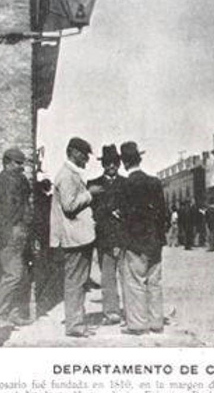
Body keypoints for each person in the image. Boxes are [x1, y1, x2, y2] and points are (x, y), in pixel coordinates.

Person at [50, 137, 101, 338]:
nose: (86, 159)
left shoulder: (70, 174)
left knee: (78, 282)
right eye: (84, 154)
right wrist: (90, 194)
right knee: (75, 283)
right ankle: (75, 325)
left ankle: (77, 322)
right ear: (72, 152)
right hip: (75, 238)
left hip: (78, 237)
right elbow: (69, 206)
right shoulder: (67, 176)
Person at [118, 141, 168, 335]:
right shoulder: (154, 182)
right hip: (155, 240)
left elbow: (123, 216)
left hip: (135, 242)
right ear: (139, 158)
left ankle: (139, 324)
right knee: (155, 282)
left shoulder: (125, 185)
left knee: (136, 282)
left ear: (124, 162)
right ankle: (156, 322)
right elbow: (163, 213)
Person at [0, 147, 32, 329]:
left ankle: (14, 314)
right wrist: (4, 232)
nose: (21, 167)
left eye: (22, 164)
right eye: (17, 163)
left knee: (22, 275)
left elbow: (27, 205)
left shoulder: (22, 181)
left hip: (22, 232)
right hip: (7, 234)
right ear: (6, 163)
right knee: (12, 274)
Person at [86, 144, 127, 326]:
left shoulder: (127, 184)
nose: (112, 166)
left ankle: (130, 311)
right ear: (103, 164)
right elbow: (91, 212)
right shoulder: (93, 185)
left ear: (119, 164)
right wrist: (110, 210)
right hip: (104, 238)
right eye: (108, 163)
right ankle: (111, 313)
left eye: (115, 163)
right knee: (107, 277)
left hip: (125, 238)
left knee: (127, 277)